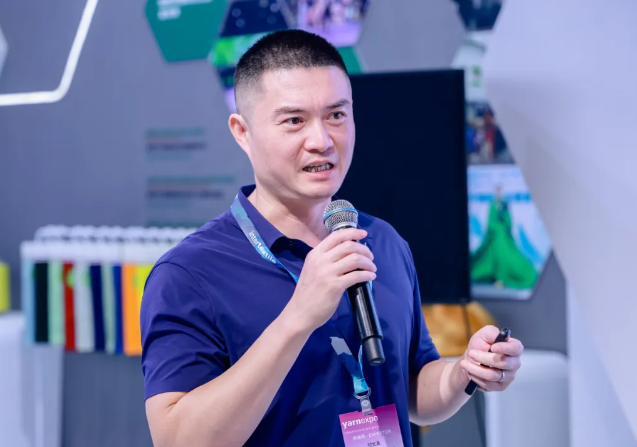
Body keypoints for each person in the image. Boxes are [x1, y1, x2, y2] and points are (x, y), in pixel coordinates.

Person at [140, 29, 524, 447]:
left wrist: (464, 373)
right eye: (294, 120)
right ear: (242, 131)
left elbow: (412, 387)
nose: (321, 141)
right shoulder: (189, 273)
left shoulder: (382, 242)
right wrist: (297, 317)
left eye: (336, 116)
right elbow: (177, 439)